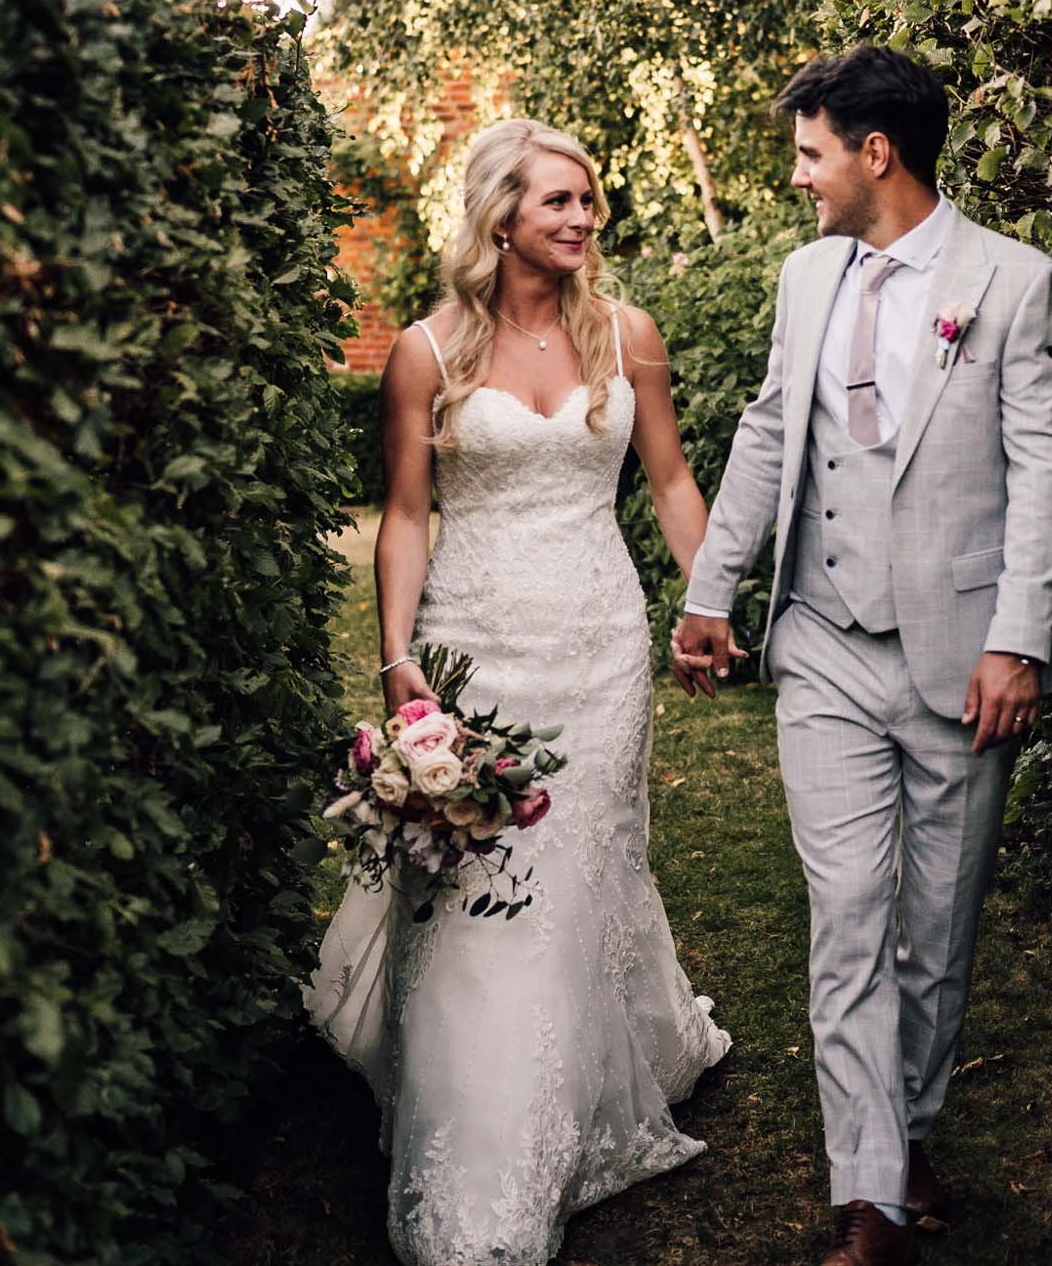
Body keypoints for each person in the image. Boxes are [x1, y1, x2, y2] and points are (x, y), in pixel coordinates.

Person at [671, 45, 1052, 1266]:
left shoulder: (1012, 282)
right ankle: (874, 1197)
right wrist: (712, 588)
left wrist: (1019, 640)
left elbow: (1045, 471)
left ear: (874, 153)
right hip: (822, 642)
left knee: (935, 929)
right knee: (847, 914)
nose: (800, 178)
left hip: (961, 657)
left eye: (810, 153)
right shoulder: (804, 279)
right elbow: (764, 426)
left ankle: (903, 1137)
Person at [307, 117, 732, 1266]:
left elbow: (672, 479)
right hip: (474, 642)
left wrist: (710, 598)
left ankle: (576, 1079)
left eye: (589, 202)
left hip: (598, 644)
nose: (584, 219)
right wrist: (399, 658)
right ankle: (477, 1144)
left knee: (580, 863)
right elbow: (406, 514)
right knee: (477, 880)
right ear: (502, 215)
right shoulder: (426, 351)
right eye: (560, 202)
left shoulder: (626, 334)